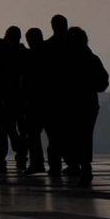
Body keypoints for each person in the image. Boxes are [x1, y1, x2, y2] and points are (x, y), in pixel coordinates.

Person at [62, 28, 109, 187]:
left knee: (70, 135)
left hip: (69, 103)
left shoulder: (65, 60)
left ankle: (75, 164)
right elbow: (103, 83)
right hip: (88, 103)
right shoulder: (92, 59)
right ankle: (84, 166)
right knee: (84, 136)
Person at [0, 26, 27, 173]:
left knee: (3, 131)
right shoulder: (24, 54)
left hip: (4, 96)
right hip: (20, 97)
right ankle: (21, 155)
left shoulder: (2, 53)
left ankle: (1, 158)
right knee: (18, 129)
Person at [42, 14, 72, 176]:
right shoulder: (73, 47)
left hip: (51, 99)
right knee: (69, 135)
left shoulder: (47, 47)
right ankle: (72, 163)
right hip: (69, 99)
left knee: (54, 137)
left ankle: (55, 166)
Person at [19, 26, 48, 174]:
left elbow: (25, 80)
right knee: (55, 135)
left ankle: (37, 163)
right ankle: (55, 164)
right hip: (49, 100)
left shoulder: (30, 57)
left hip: (34, 102)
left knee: (33, 135)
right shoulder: (49, 54)